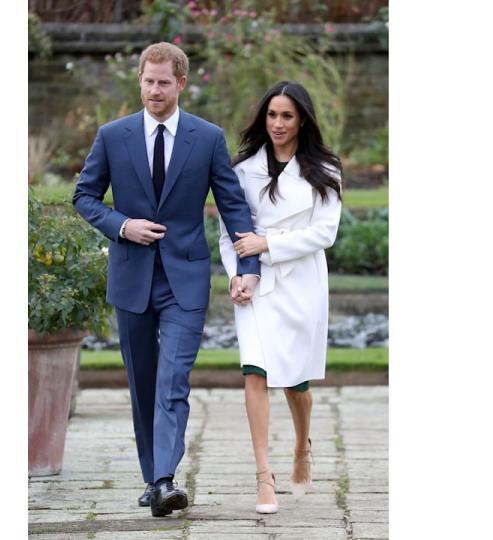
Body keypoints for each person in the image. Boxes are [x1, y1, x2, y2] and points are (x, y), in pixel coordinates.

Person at [73, 42, 261, 518]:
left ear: (181, 83)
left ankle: (164, 480)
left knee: (173, 379)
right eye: (147, 81)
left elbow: (233, 207)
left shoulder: (207, 137)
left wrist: (249, 267)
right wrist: (122, 225)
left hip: (185, 279)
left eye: (163, 82)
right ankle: (151, 475)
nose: (154, 90)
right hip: (132, 276)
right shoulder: (113, 136)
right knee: (143, 382)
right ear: (140, 80)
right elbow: (84, 195)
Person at [218, 81, 343, 514]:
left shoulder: (325, 170)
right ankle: (263, 477)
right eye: (272, 115)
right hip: (257, 285)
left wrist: (267, 243)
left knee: (294, 382)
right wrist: (238, 275)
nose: (277, 124)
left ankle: (302, 446)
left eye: (287, 116)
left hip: (301, 282)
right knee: (255, 372)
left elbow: (324, 233)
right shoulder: (242, 169)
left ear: (302, 119)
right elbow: (229, 232)